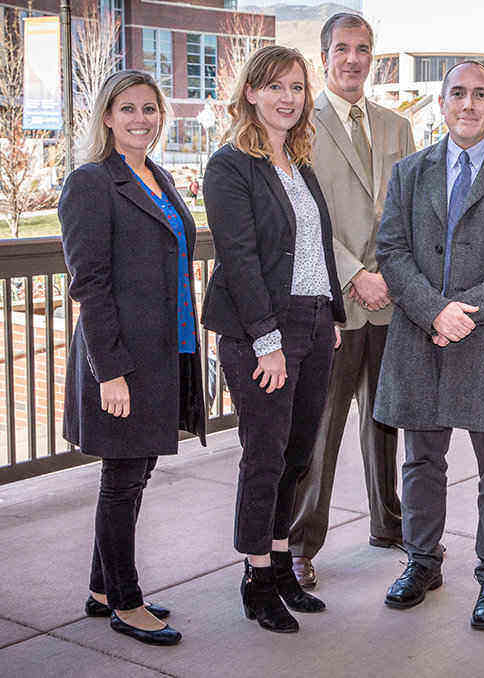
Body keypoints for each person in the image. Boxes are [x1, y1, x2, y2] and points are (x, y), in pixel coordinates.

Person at [375, 61, 484, 631]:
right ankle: (422, 561)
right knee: (420, 460)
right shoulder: (409, 172)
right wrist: (434, 310)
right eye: (458, 94)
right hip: (420, 336)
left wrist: (465, 313)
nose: (469, 104)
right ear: (442, 102)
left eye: (481, 95)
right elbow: (393, 250)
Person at [201, 45, 346, 634]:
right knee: (264, 453)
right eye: (275, 87)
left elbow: (315, 245)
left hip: (313, 321)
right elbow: (238, 259)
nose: (288, 98)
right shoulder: (230, 165)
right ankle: (256, 577)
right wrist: (267, 340)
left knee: (298, 452)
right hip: (260, 327)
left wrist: (331, 313)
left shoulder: (300, 163)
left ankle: (283, 563)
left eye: (296, 87)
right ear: (252, 94)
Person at [59, 70, 206, 646]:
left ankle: (101, 587)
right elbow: (89, 283)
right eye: (128, 109)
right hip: (121, 356)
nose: (140, 118)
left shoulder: (158, 178)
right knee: (121, 480)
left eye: (149, 108)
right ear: (107, 117)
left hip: (165, 349)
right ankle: (126, 600)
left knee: (137, 472)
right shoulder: (91, 183)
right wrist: (110, 370)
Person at [288, 12, 416, 589]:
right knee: (323, 426)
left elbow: (408, 210)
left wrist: (387, 273)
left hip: (389, 298)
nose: (353, 59)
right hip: (335, 302)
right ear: (324, 57)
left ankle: (389, 522)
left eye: (363, 49)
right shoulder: (300, 124)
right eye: (342, 48)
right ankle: (300, 542)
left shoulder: (397, 127)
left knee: (386, 419)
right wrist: (353, 273)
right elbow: (303, 213)